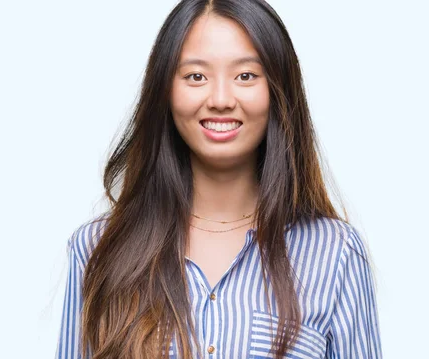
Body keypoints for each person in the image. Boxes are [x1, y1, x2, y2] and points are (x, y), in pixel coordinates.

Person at [55, 0, 382, 358]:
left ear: (278, 90)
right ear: (165, 91)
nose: (221, 99)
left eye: (246, 76)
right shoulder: (97, 250)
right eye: (196, 76)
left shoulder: (335, 253)